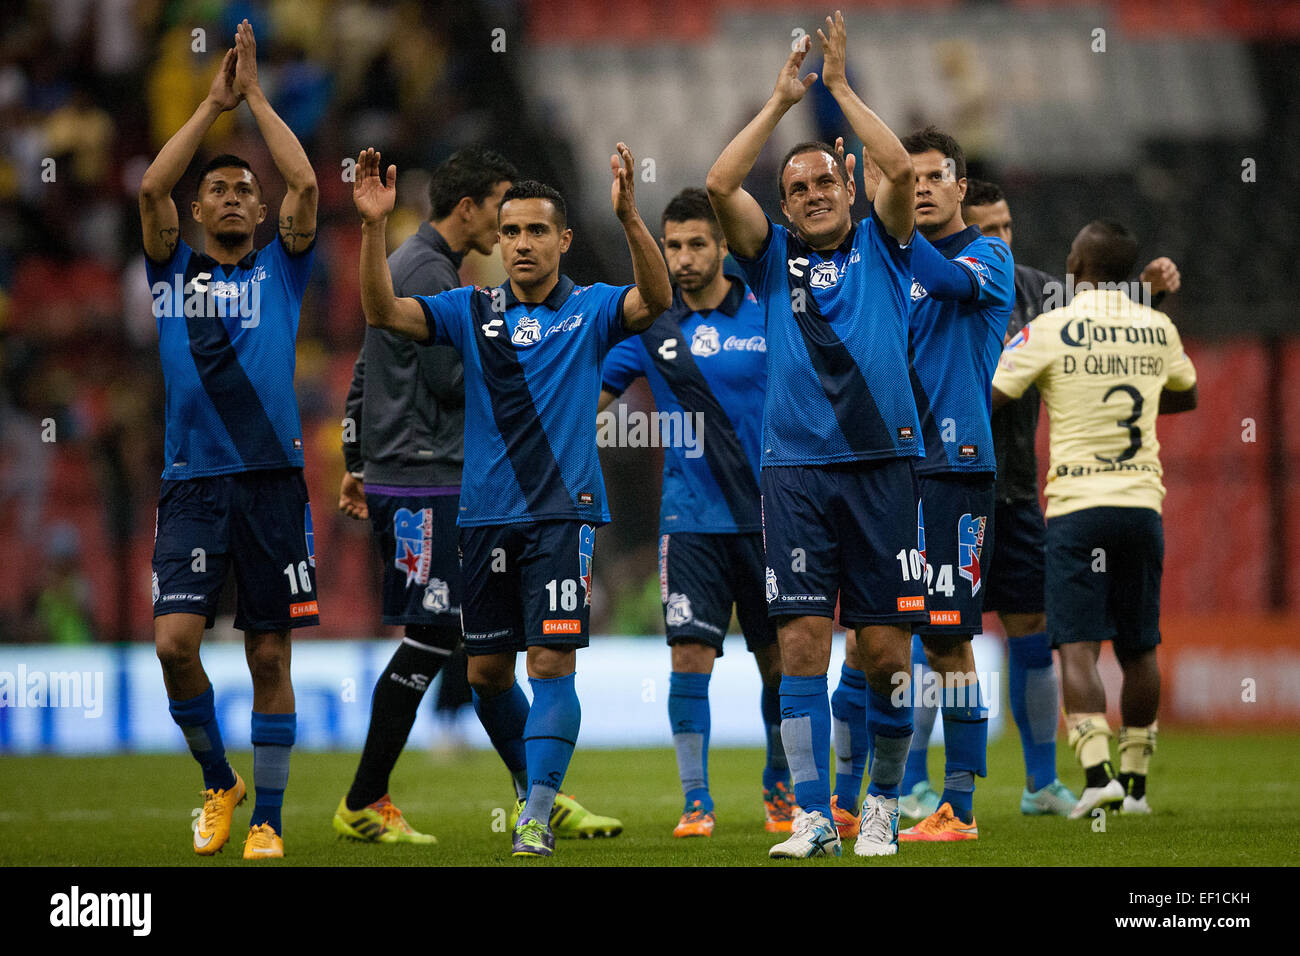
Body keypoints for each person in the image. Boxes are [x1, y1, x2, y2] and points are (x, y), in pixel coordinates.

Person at [353, 143, 672, 856]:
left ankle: (535, 812)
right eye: (512, 232)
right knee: (486, 671)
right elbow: (382, 312)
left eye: (536, 231)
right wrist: (375, 227)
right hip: (484, 517)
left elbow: (656, 299)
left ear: (561, 240)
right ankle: (537, 794)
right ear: (497, 241)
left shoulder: (590, 309)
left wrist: (627, 217)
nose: (522, 243)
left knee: (552, 662)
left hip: (563, 515)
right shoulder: (470, 309)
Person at [707, 12, 926, 859]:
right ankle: (809, 816)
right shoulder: (769, 261)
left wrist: (837, 90)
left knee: (884, 655)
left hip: (883, 468)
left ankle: (880, 806)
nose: (811, 194)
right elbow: (723, 187)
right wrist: (776, 104)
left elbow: (900, 167)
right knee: (797, 646)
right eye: (796, 188)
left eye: (824, 181)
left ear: (846, 184)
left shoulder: (888, 244)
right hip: (793, 473)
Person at [140, 20, 317, 860]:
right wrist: (213, 107)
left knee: (270, 658)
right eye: (220, 190)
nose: (238, 197)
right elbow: (149, 191)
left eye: (248, 188)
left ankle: (269, 821)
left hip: (273, 482)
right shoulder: (173, 270)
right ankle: (218, 779)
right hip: (193, 484)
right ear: (199, 210)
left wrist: (255, 99)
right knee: (176, 644)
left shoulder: (282, 267)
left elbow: (307, 185)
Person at [956, 181, 1180, 817]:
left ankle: (1043, 783)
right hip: (948, 484)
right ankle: (921, 780)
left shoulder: (1036, 295)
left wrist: (1149, 291)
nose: (1001, 241)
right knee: (937, 636)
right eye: (986, 230)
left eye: (1007, 227)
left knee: (1039, 632)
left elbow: (1101, 305)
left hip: (1024, 491)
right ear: (957, 232)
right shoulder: (934, 288)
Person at [598, 188, 793, 838]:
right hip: (689, 524)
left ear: (723, 247)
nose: (682, 258)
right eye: (672, 245)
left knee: (781, 665)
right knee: (688, 658)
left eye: (695, 244)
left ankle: (781, 788)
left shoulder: (769, 313)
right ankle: (696, 802)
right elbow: (591, 399)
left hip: (770, 519)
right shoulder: (650, 326)